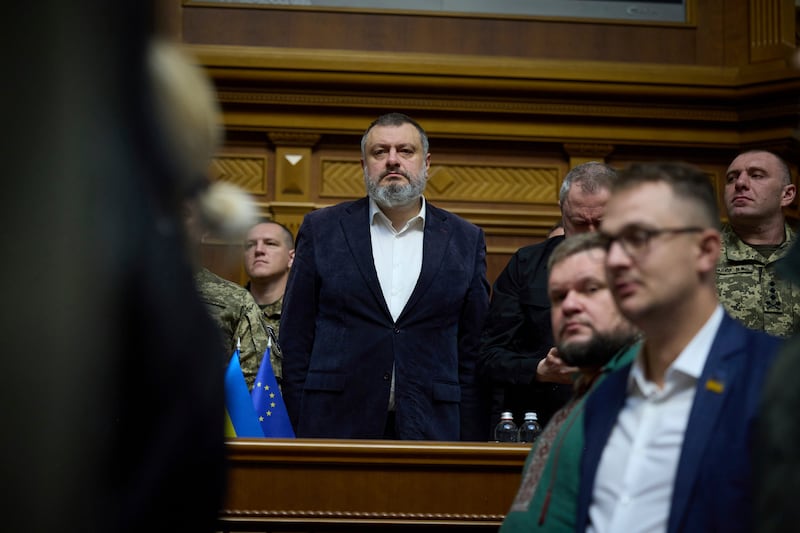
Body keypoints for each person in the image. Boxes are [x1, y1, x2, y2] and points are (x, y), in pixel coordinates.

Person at [576, 162, 782, 533]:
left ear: (704, 251)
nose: (617, 261)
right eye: (609, 243)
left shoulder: (777, 382)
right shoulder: (604, 396)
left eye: (639, 237)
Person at [280, 112, 490, 440]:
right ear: (364, 165)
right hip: (333, 425)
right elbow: (295, 337)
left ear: (426, 163)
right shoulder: (322, 229)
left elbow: (473, 346)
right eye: (380, 152)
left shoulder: (465, 239)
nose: (393, 161)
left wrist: (471, 437)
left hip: (432, 426)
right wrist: (297, 422)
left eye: (405, 151)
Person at [500, 233, 640, 533]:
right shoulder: (586, 390)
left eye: (590, 289)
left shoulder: (649, 387)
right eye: (558, 296)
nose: (570, 305)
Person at [478, 161, 616, 431]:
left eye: (602, 223)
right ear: (562, 211)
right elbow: (488, 357)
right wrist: (539, 369)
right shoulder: (526, 265)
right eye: (578, 223)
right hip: (544, 424)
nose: (590, 235)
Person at [717, 149, 799, 336]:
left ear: (787, 195)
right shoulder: (696, 259)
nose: (740, 183)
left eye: (756, 175)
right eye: (731, 178)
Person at [243, 220, 295, 339]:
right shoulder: (226, 308)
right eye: (250, 245)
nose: (258, 250)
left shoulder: (304, 311)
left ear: (291, 258)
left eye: (270, 243)